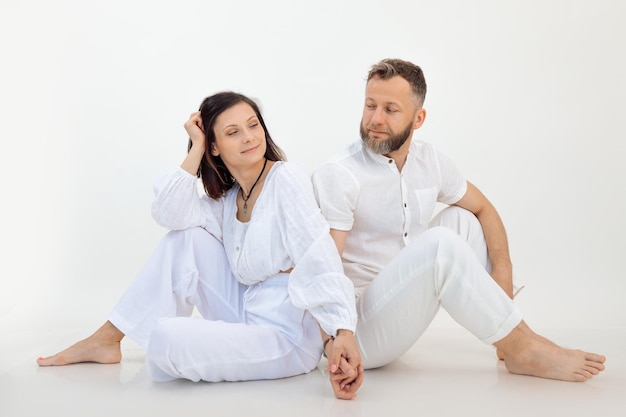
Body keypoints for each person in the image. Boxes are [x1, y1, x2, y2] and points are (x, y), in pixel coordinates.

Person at [37, 91, 363, 400]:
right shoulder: (230, 199)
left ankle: (165, 339)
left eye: (253, 125)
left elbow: (318, 255)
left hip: (286, 334)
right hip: (244, 308)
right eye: (233, 132)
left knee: (166, 338)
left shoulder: (287, 177)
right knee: (186, 238)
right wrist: (195, 148)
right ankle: (109, 339)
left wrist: (340, 331)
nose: (250, 137)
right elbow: (169, 213)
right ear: (215, 147)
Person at [311, 58, 606, 382]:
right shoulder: (339, 174)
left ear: (418, 118)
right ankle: (524, 348)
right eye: (370, 106)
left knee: (462, 220)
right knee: (440, 245)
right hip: (357, 333)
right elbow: (323, 269)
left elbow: (484, 209)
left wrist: (503, 274)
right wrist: (332, 341)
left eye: (390, 110)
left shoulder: (430, 161)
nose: (375, 119)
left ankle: (513, 339)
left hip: (402, 304)